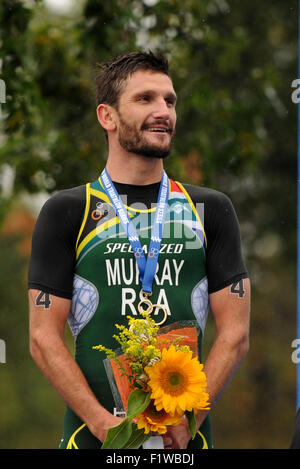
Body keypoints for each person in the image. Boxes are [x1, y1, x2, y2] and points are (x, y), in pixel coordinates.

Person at [28, 51, 250, 450]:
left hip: (186, 443)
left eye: (170, 100)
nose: (163, 110)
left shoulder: (211, 209)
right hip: (92, 439)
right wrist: (101, 425)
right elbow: (42, 338)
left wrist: (190, 421)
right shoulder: (67, 210)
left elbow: (235, 334)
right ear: (107, 117)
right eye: (145, 98)